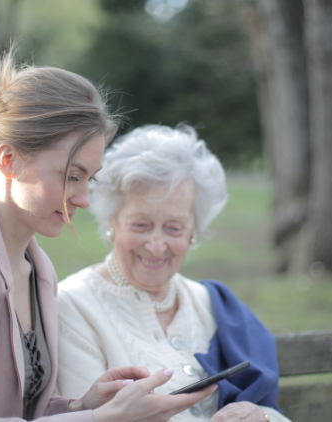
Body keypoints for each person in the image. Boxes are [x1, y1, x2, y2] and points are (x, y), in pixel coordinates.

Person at [0, 51, 214, 422]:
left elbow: (18, 410)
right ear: (8, 160)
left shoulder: (39, 269)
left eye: (89, 178)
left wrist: (83, 405)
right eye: (71, 176)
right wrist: (100, 420)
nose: (83, 198)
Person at [55, 125, 291, 422]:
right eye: (140, 224)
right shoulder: (72, 306)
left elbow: (272, 411)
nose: (155, 246)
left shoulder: (213, 303)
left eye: (174, 227)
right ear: (112, 222)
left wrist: (262, 417)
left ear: (193, 232)